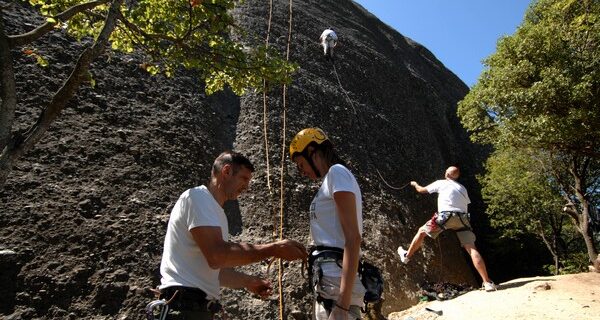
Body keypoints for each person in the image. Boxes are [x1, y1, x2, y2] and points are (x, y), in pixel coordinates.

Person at [157, 151, 308, 319]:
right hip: (184, 307)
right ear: (227, 171)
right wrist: (274, 249)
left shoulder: (216, 213)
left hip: (196, 308)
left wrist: (247, 281)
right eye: (244, 178)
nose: (247, 186)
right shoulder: (197, 198)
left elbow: (213, 271)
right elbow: (217, 256)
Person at [289, 128, 366, 320]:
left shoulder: (337, 173)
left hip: (336, 287)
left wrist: (342, 304)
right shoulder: (330, 180)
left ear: (312, 151)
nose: (302, 172)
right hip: (328, 285)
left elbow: (353, 238)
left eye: (300, 164)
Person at [397, 166, 498, 292]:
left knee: (422, 232)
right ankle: (487, 282)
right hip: (463, 218)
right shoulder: (462, 188)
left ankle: (407, 256)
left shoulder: (442, 183)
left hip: (446, 217)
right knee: (471, 248)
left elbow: (422, 190)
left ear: (446, 174)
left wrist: (414, 184)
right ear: (457, 176)